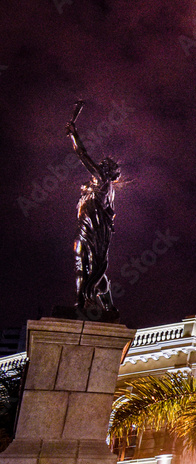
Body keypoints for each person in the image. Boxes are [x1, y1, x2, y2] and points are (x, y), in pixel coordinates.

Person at [67, 101, 120, 317]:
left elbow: (83, 154)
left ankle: (105, 304)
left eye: (104, 165)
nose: (99, 167)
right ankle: (80, 303)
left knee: (94, 268)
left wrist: (73, 133)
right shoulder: (92, 188)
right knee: (82, 264)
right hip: (84, 230)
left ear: (107, 172)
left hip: (95, 234)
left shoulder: (102, 182)